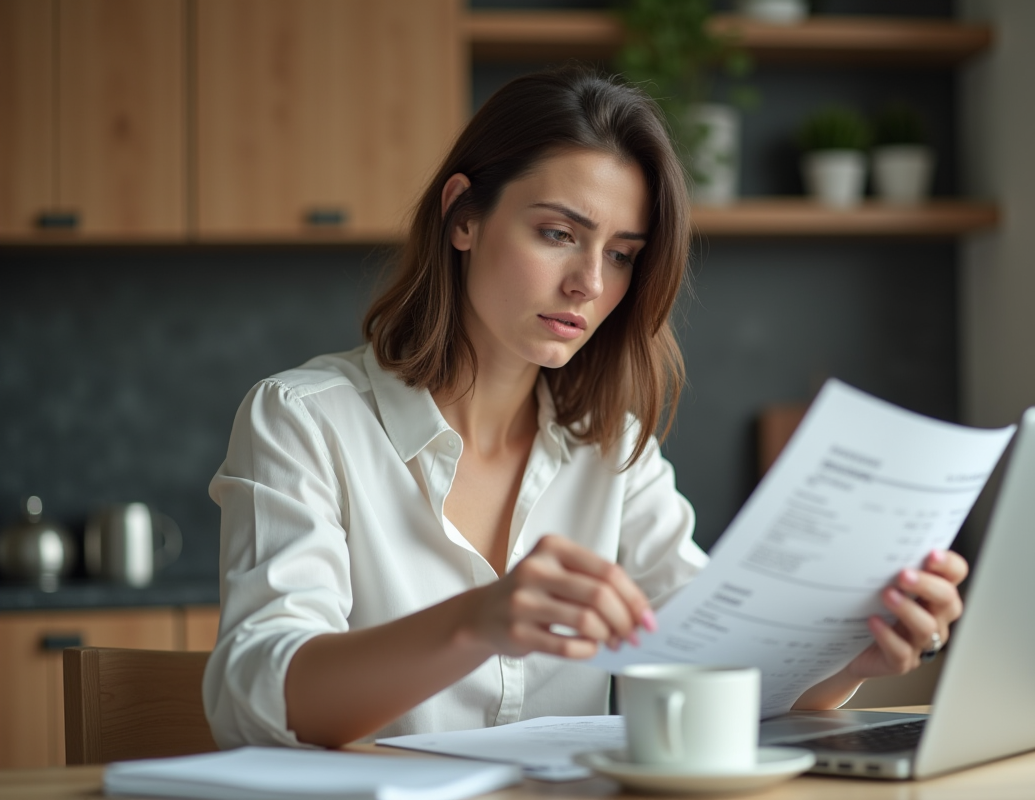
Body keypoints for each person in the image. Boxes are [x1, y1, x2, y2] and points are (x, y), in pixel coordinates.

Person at [203, 67, 968, 750]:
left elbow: (717, 667)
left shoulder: (612, 451)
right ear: (463, 215)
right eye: (558, 233)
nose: (590, 284)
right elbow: (255, 698)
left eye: (622, 255)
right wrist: (476, 621)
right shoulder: (305, 420)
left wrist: (850, 655)